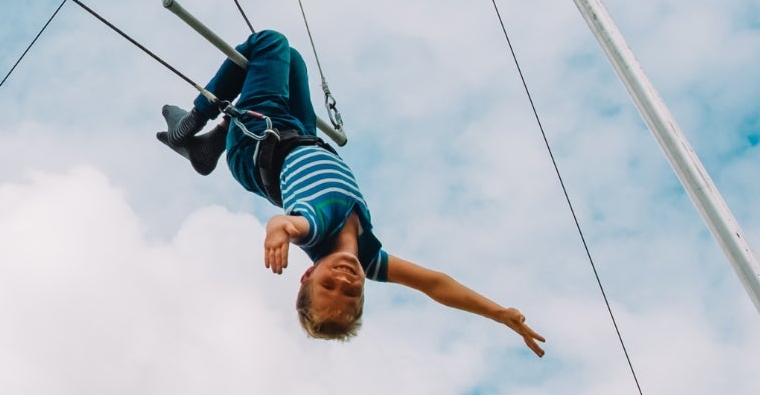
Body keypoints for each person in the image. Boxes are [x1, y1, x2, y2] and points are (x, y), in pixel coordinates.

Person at [157, 29, 545, 352]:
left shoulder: (316, 228)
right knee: (291, 59)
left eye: (329, 285)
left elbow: (287, 224)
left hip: (258, 144)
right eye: (352, 295)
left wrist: (277, 230)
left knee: (269, 43)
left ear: (307, 275)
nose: (344, 280)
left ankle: (192, 125)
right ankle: (208, 148)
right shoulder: (372, 258)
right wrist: (497, 313)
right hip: (299, 136)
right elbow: (436, 285)